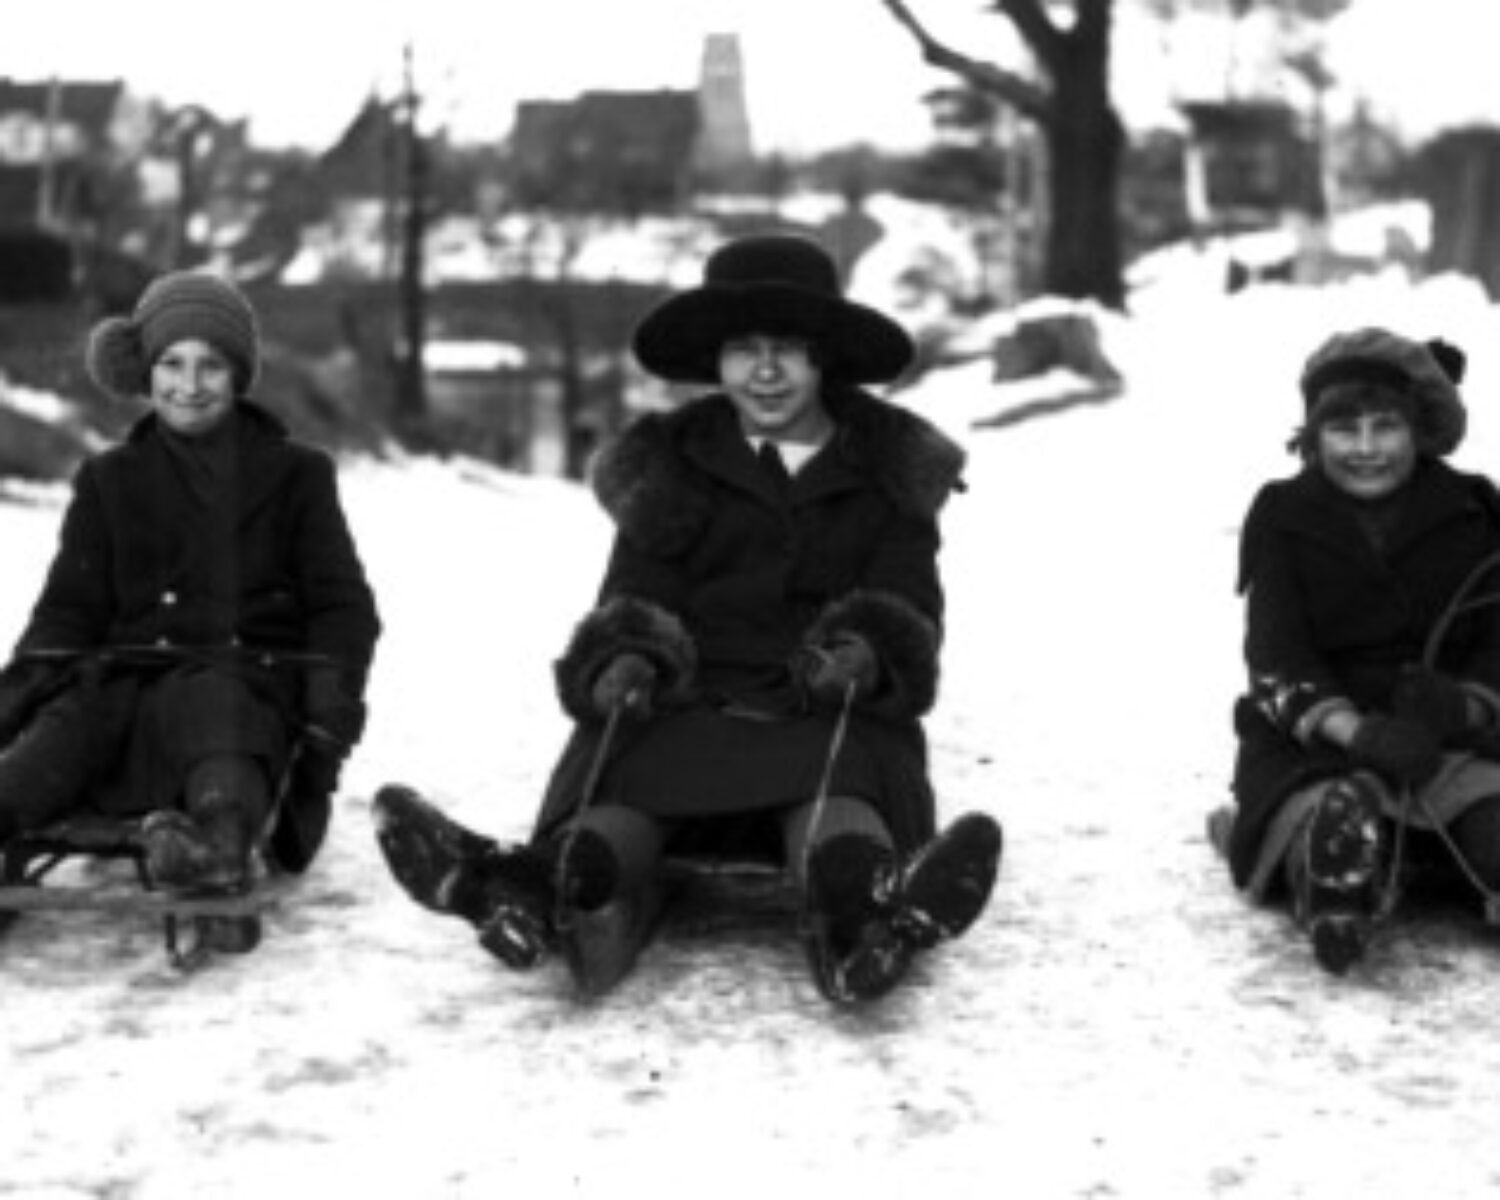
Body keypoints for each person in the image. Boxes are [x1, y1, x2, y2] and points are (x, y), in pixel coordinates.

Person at [374, 233, 1002, 1003]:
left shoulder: (886, 469)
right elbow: (631, 595)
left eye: (789, 350)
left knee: (840, 777)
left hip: (826, 697)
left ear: (824, 359)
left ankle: (867, 900)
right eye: (744, 350)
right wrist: (626, 659)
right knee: (630, 776)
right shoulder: (672, 464)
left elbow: (909, 600)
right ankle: (529, 885)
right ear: (716, 360)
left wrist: (867, 652)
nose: (765, 371)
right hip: (691, 695)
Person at [0, 270, 381, 913]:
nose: (189, 384)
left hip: (241, 687)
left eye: (211, 366)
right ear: (146, 372)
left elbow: (342, 605)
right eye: (172, 363)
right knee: (63, 733)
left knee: (219, 722)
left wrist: (328, 706)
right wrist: (17, 696)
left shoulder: (296, 475)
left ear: (238, 375)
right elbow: (69, 609)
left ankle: (213, 846)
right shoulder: (108, 479)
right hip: (121, 688)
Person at [1217, 326, 1500, 975]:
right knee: (1324, 816)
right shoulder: (1286, 518)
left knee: (1493, 829)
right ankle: (1335, 888)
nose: (1367, 449)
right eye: (1346, 430)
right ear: (1314, 438)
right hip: (1319, 747)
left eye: (1385, 428)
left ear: (1418, 431)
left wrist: (1464, 707)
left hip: (1450, 745)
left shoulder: (1475, 513)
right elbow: (1276, 664)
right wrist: (1357, 731)